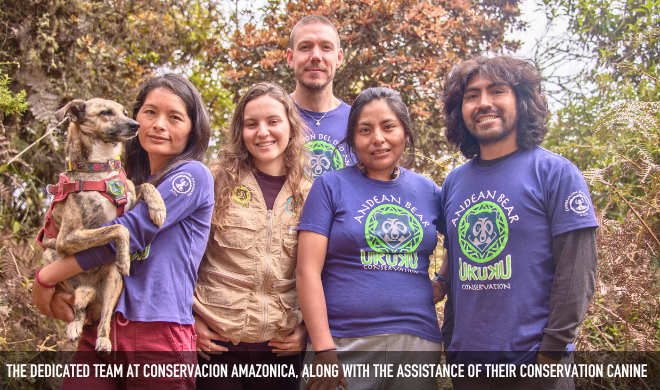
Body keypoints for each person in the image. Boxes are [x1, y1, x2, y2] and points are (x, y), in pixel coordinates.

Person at [31, 73, 213, 389]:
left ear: (192, 129)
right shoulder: (121, 182)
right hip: (102, 329)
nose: (159, 124)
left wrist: (45, 279)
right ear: (135, 118)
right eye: (150, 112)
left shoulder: (193, 175)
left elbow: (131, 231)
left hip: (158, 334)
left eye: (175, 117)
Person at [435, 55, 599, 389]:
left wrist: (551, 352)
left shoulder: (555, 173)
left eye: (497, 91)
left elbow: (578, 269)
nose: (484, 103)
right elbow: (457, 267)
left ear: (520, 100)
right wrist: (451, 342)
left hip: (535, 367)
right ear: (460, 110)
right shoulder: (453, 183)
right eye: (471, 95)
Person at [297, 87, 443, 390]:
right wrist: (323, 349)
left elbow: (463, 237)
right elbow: (306, 271)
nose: (378, 138)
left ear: (404, 131)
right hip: (342, 343)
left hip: (416, 344)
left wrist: (444, 281)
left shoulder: (427, 190)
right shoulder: (330, 186)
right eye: (365, 130)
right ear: (353, 139)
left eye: (388, 126)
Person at [193, 82, 312, 390]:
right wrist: (190, 319)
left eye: (273, 121)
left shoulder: (309, 194)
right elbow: (181, 258)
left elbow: (323, 272)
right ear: (240, 131)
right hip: (217, 347)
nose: (263, 132)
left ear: (289, 125)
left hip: (280, 351)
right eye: (251, 124)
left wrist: (307, 330)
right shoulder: (214, 182)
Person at [286, 15, 354, 179]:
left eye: (326, 47)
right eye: (305, 47)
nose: (316, 56)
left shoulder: (357, 121)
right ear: (290, 58)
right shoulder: (273, 118)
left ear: (338, 58)